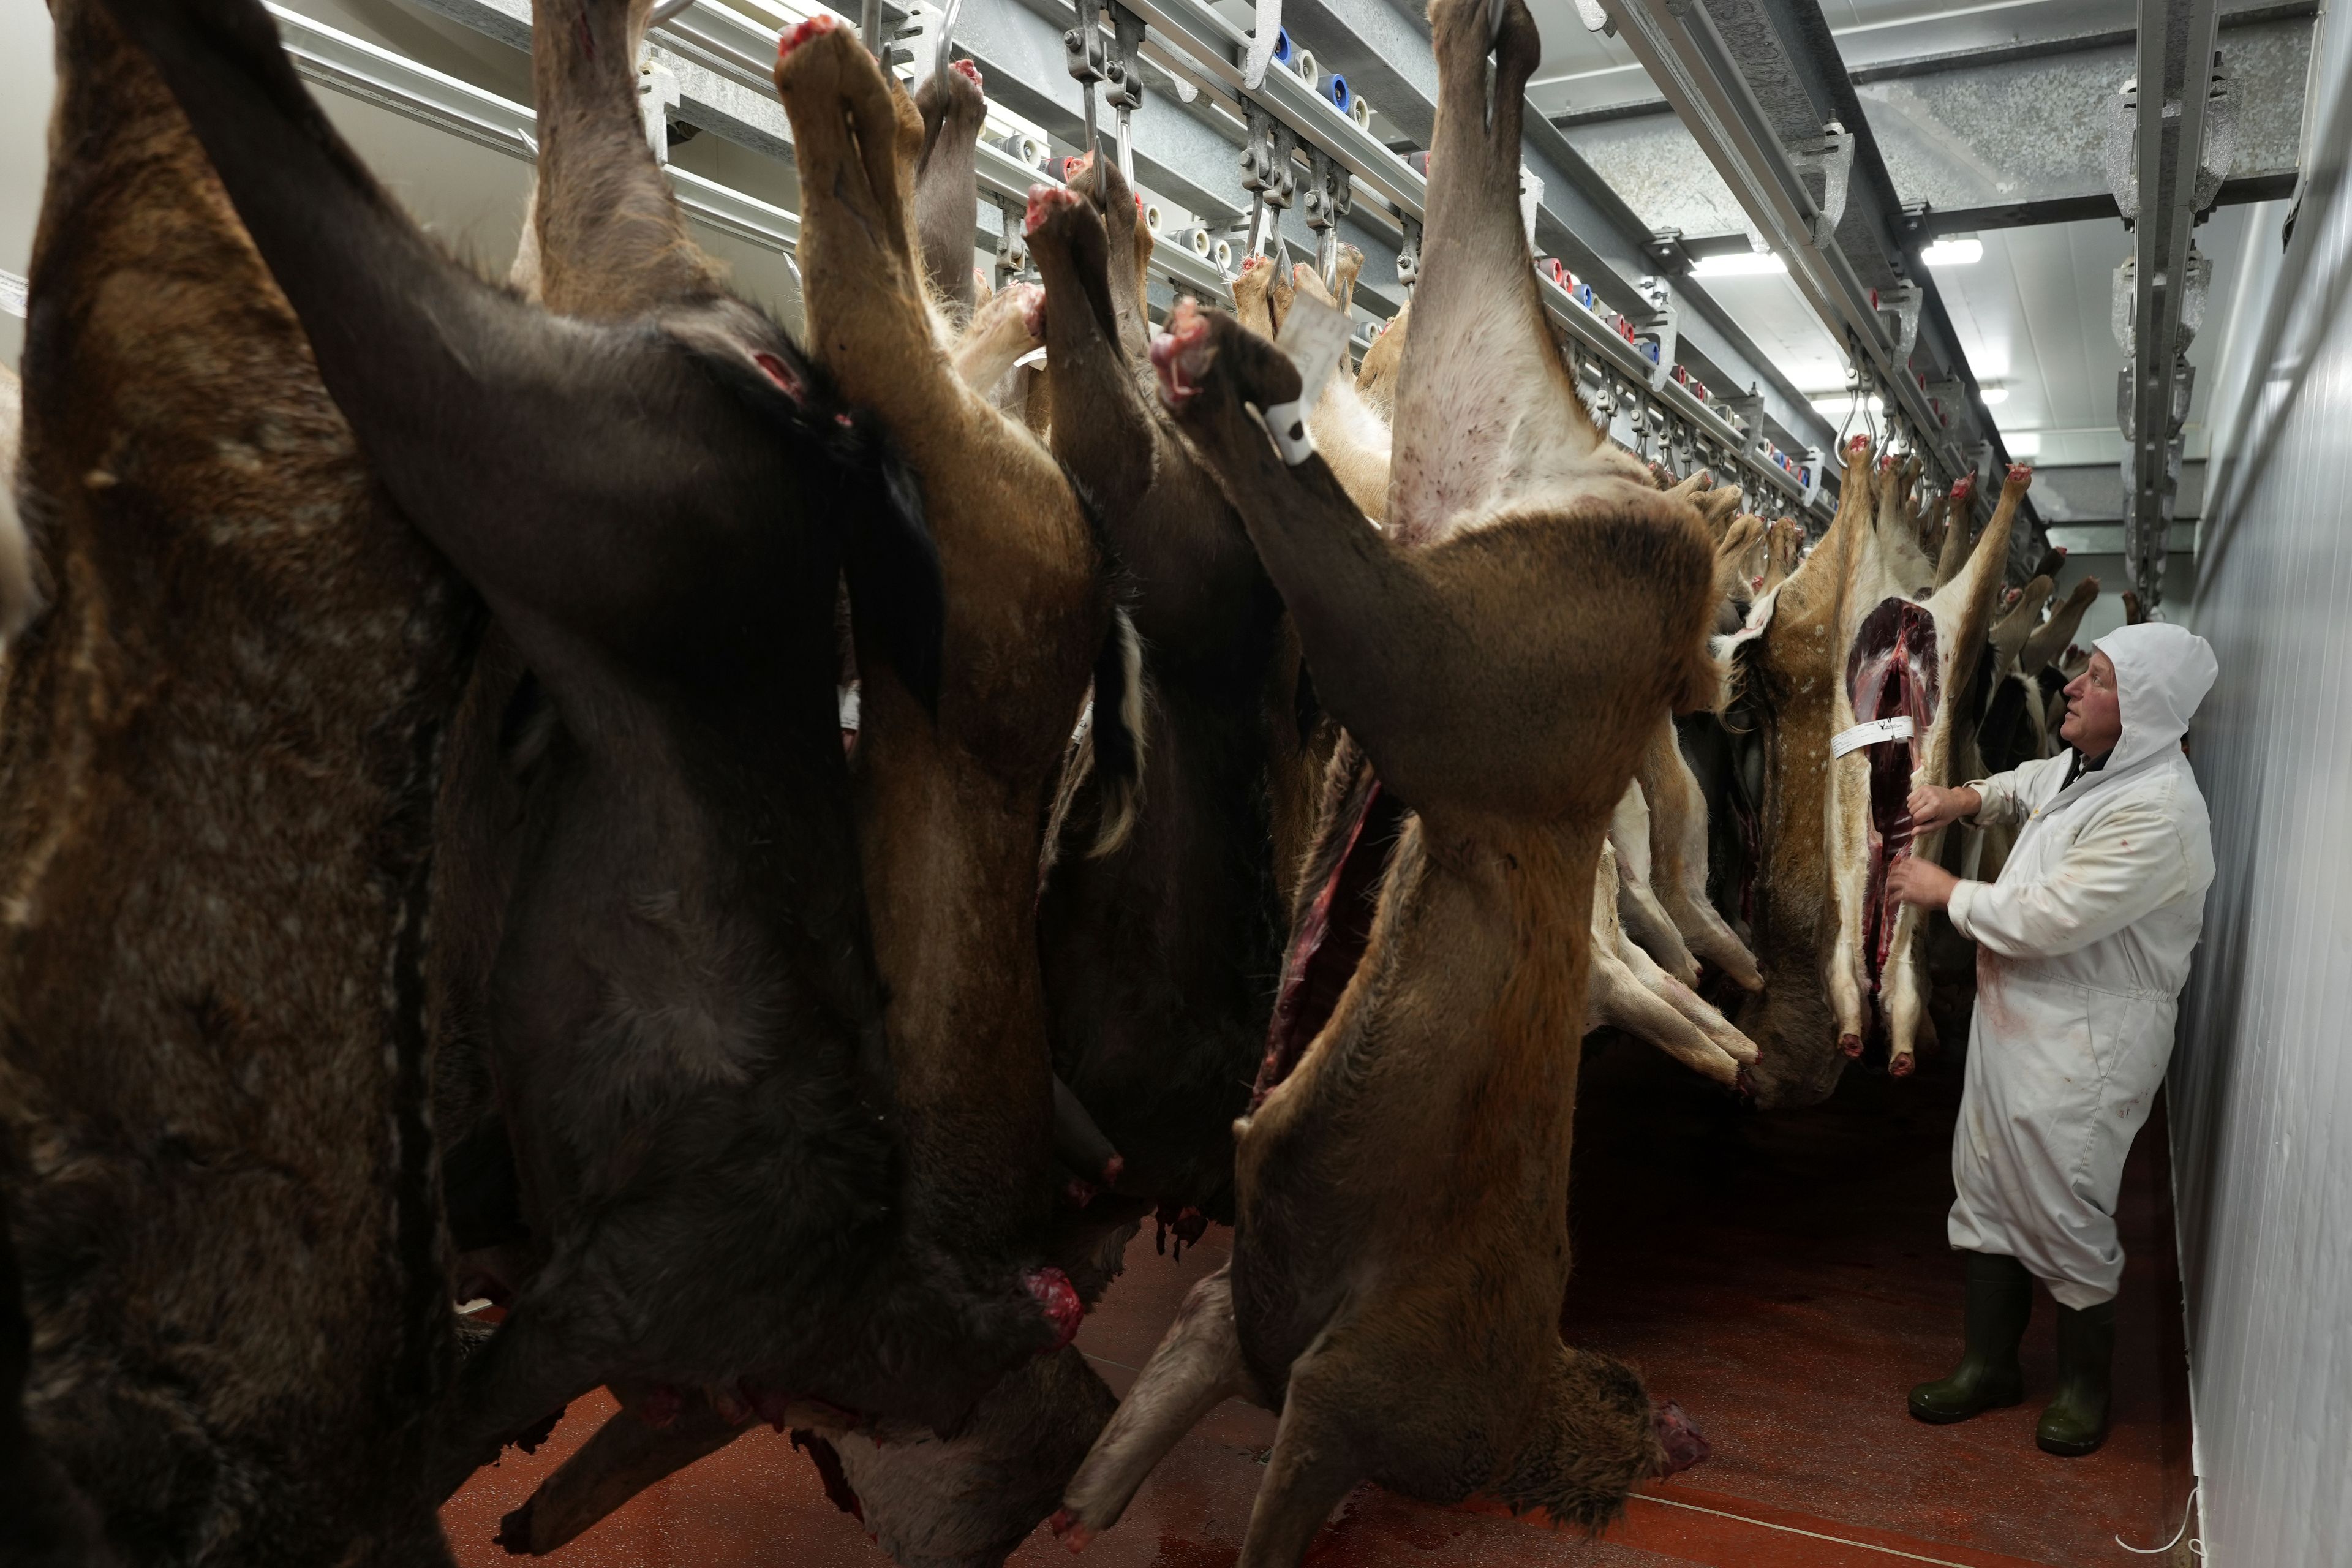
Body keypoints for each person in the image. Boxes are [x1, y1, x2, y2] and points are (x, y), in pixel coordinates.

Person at [1886, 621, 2218, 1457]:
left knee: (2065, 1202)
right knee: (1990, 1184)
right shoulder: (2093, 764)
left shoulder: (2161, 812)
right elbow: (2035, 782)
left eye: (2096, 678)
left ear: (2139, 712)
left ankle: (2083, 1388)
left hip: (2087, 1039)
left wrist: (1944, 890)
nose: (2070, 686)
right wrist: (1963, 798)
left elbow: (2049, 916)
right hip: (2021, 1021)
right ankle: (1988, 1366)